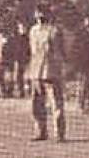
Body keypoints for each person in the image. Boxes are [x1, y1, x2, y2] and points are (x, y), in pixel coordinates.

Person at [27, 8, 67, 142]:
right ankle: (41, 131)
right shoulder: (33, 31)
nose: (39, 17)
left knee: (55, 103)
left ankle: (59, 133)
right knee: (37, 104)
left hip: (51, 71)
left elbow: (60, 51)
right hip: (36, 71)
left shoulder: (54, 31)